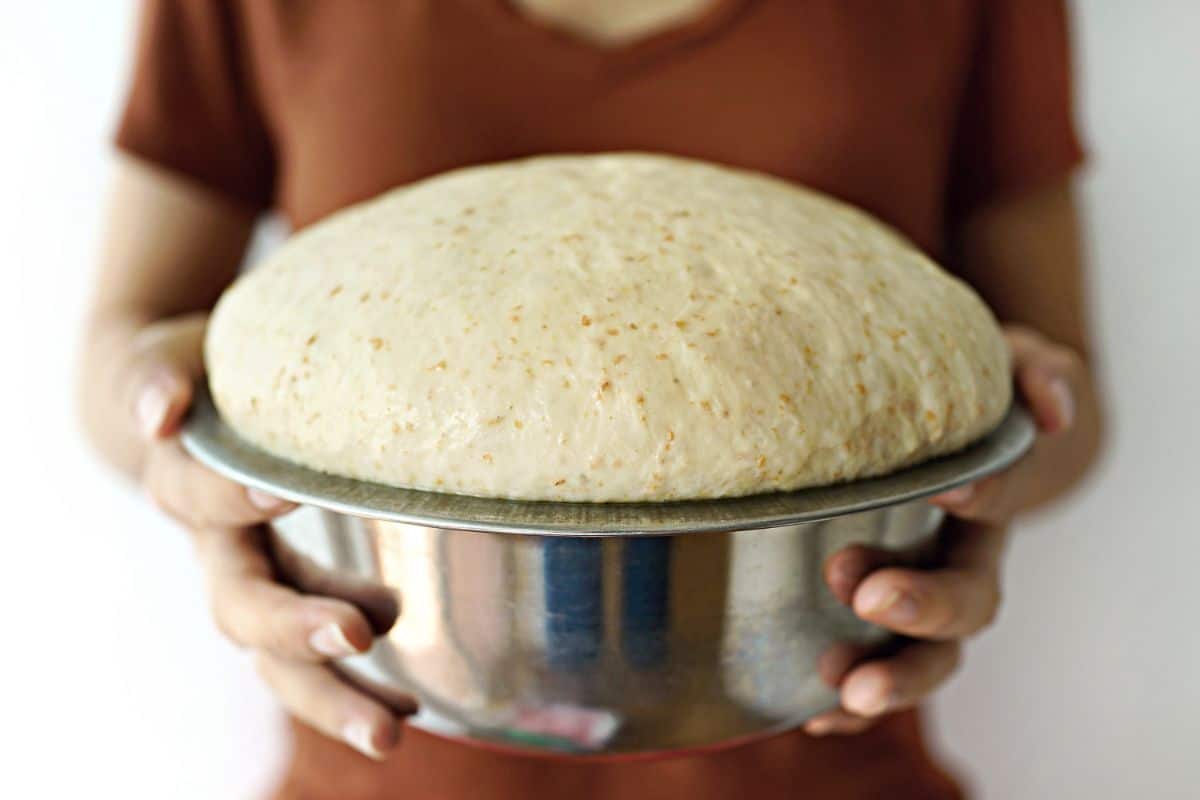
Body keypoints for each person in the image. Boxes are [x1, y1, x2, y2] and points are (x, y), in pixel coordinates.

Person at [80, 1, 1104, 798]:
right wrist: (172, 442)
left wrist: (1008, 459)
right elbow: (124, 354)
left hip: (832, 742)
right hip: (376, 740)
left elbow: (1063, 402)